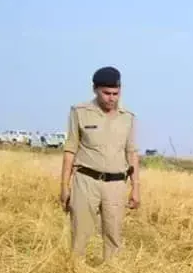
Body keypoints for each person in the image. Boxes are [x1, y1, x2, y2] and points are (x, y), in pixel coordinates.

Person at [60, 66, 140, 262]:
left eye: (115, 93)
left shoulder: (128, 117)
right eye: (106, 93)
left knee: (113, 237)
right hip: (86, 181)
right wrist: (64, 186)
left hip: (116, 184)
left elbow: (132, 152)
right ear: (95, 89)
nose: (111, 98)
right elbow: (70, 149)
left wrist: (136, 187)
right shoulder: (79, 112)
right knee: (80, 235)